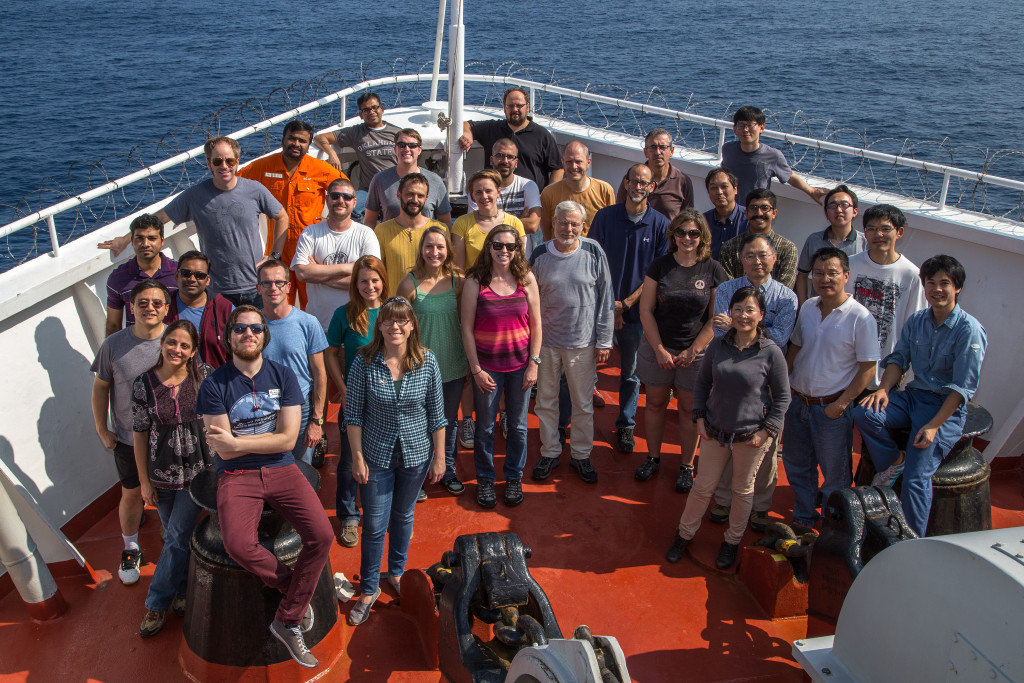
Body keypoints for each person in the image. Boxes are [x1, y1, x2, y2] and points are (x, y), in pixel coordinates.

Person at [196, 305, 333, 668]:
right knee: (239, 544)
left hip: (282, 468)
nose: (248, 334)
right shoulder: (215, 385)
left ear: (264, 335)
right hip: (237, 476)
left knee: (322, 535)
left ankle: (287, 618)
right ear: (229, 337)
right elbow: (224, 445)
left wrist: (237, 444)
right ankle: (295, 592)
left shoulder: (284, 376)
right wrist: (244, 445)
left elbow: (288, 441)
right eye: (240, 329)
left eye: (255, 329)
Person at [853, 255, 987, 537]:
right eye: (931, 283)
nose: (936, 289)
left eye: (944, 283)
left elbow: (962, 388)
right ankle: (893, 461)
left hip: (942, 406)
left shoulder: (969, 330)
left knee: (916, 477)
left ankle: (912, 540)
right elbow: (899, 359)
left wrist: (934, 426)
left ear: (957, 288)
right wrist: (883, 390)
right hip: (914, 397)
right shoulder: (917, 321)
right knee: (864, 412)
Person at [666, 287, 790, 570]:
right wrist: (699, 418)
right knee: (701, 488)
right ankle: (684, 535)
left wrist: (766, 431)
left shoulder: (771, 352)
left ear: (761, 315)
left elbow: (783, 397)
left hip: (751, 436)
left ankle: (732, 541)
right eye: (738, 309)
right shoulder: (719, 345)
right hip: (715, 430)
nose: (743, 315)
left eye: (750, 310)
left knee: (742, 490)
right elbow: (702, 383)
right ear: (729, 312)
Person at [344, 297, 446, 626]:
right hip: (376, 455)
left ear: (412, 325)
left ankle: (397, 572)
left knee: (404, 516)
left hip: (416, 455)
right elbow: (353, 415)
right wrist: (357, 457)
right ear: (380, 326)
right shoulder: (364, 361)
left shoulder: (427, 362)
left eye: (402, 321)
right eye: (388, 321)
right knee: (374, 525)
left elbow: (437, 416)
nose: (395, 326)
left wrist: (440, 457)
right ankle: (370, 588)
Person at [99, 137, 288, 308]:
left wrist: (274, 255)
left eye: (229, 161)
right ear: (209, 164)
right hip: (217, 290)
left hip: (255, 286)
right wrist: (124, 240)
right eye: (217, 161)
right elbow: (159, 218)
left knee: (257, 340)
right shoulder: (195, 196)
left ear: (237, 162)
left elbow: (282, 216)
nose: (224, 166)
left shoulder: (254, 190)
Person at [782, 248, 879, 534]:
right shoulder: (809, 307)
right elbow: (796, 347)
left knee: (834, 474)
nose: (825, 279)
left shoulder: (861, 318)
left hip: (832, 408)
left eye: (832, 273)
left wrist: (843, 403)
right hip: (798, 401)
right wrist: (783, 384)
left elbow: (868, 368)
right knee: (798, 465)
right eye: (819, 273)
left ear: (846, 276)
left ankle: (834, 525)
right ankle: (803, 517)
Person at [707, 233, 798, 529]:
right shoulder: (726, 289)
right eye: (750, 256)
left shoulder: (787, 297)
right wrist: (755, 325)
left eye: (763, 255)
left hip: (767, 377)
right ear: (741, 259)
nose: (757, 262)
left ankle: (760, 506)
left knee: (766, 445)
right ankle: (723, 499)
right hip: (729, 373)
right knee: (725, 436)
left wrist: (735, 323)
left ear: (774, 258)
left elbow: (781, 339)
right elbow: (720, 333)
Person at [634, 210, 727, 491]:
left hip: (695, 352)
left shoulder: (713, 269)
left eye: (694, 233)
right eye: (681, 232)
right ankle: (653, 457)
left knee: (689, 410)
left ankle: (687, 465)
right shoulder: (660, 266)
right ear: (673, 235)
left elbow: (715, 317)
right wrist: (660, 349)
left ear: (702, 237)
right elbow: (646, 310)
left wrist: (693, 350)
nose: (687, 238)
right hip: (658, 347)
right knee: (654, 404)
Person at [132, 320, 212, 637]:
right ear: (163, 343)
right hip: (161, 472)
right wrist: (143, 481)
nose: (176, 349)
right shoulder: (143, 384)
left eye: (183, 346)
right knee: (174, 536)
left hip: (197, 471)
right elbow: (139, 433)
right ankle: (182, 591)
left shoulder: (202, 378)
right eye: (171, 342)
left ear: (193, 353)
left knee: (178, 536)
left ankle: (155, 603)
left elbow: (216, 419)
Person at [91, 279, 169, 585]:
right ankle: (131, 546)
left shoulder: (175, 340)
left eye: (157, 303)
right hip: (126, 438)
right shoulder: (113, 345)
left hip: (169, 438)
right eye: (142, 303)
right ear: (131, 307)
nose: (150, 307)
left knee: (173, 490)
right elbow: (100, 387)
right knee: (132, 493)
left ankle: (173, 537)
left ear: (166, 308)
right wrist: (102, 428)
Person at [530, 201, 613, 484]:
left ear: (583, 226)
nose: (569, 229)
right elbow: (530, 300)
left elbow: (605, 297)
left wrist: (604, 340)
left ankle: (580, 455)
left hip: (583, 342)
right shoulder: (540, 253)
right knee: (546, 401)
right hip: (547, 342)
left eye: (575, 224)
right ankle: (550, 451)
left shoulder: (593, 251)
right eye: (563, 223)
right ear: (553, 223)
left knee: (582, 403)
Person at [589, 163, 670, 453]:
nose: (638, 187)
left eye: (644, 183)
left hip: (637, 313)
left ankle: (625, 425)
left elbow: (657, 273)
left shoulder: (660, 225)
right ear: (625, 183)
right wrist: (610, 305)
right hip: (599, 308)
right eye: (633, 181)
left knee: (631, 374)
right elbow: (592, 263)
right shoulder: (604, 217)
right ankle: (576, 422)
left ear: (652, 188)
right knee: (583, 369)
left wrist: (624, 305)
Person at [461, 226, 542, 507]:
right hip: (488, 369)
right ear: (489, 247)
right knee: (485, 427)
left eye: (510, 246)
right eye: (498, 245)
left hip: (520, 366)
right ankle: (485, 478)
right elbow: (467, 329)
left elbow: (536, 325)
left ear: (518, 249)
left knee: (518, 426)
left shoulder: (526, 278)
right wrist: (476, 369)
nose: (504, 251)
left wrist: (534, 363)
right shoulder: (476, 280)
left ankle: (513, 477)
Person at [238, 120, 344, 306]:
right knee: (278, 302)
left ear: (308, 145)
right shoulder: (263, 167)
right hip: (278, 250)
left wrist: (332, 220)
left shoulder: (320, 169)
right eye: (292, 139)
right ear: (282, 141)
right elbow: (235, 182)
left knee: (311, 302)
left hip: (311, 251)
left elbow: (345, 191)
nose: (296, 144)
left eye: (302, 141)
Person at [398, 229, 469, 497]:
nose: (435, 252)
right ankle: (417, 474)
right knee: (418, 422)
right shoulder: (409, 284)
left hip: (452, 363)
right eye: (429, 246)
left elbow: (465, 321)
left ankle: (448, 469)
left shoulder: (458, 282)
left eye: (440, 247)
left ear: (448, 250)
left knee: (448, 421)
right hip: (418, 367)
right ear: (421, 249)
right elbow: (399, 328)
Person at [324, 256, 388, 548]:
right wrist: (342, 387)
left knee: (386, 457)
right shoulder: (344, 314)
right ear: (355, 284)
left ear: (383, 280)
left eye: (375, 280)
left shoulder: (393, 312)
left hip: (388, 400)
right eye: (363, 280)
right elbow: (330, 353)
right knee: (350, 458)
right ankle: (349, 516)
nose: (370, 286)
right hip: (356, 400)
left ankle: (381, 511)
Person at [846, 204, 927, 388]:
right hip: (846, 368)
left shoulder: (912, 275)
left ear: (899, 232)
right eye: (871, 229)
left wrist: (901, 371)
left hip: (883, 376)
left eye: (885, 229)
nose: (878, 235)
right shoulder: (850, 265)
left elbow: (913, 327)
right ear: (864, 233)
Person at [257, 260, 329, 465]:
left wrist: (317, 420)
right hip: (262, 408)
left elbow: (320, 373)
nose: (273, 288)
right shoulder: (250, 326)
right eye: (267, 283)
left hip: (300, 406)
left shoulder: (308, 323)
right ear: (258, 288)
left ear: (289, 287)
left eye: (279, 282)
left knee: (300, 468)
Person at [291, 177, 381, 331]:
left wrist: (319, 276)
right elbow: (302, 274)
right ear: (327, 200)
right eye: (335, 196)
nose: (341, 200)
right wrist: (351, 268)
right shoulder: (310, 233)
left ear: (354, 202)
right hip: (318, 326)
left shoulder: (366, 234)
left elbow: (369, 281)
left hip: (356, 324)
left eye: (347, 197)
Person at [312, 91, 400, 219]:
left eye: (375, 107)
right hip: (369, 189)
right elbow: (319, 138)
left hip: (393, 187)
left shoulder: (397, 132)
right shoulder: (356, 132)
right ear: (361, 114)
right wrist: (331, 153)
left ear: (382, 109)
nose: (371, 112)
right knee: (351, 208)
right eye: (366, 110)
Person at [458, 86, 563, 190]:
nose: (515, 109)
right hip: (495, 197)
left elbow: (558, 168)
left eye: (519, 105)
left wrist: (546, 196)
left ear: (527, 107)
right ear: (504, 108)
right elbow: (467, 124)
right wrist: (468, 133)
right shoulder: (492, 128)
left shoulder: (542, 135)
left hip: (530, 199)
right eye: (510, 106)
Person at [721, 105, 826, 205]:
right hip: (729, 210)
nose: (745, 130)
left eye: (750, 125)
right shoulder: (727, 149)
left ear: (761, 128)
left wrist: (811, 191)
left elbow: (790, 176)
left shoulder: (773, 156)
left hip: (755, 213)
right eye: (741, 125)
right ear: (735, 129)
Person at [375, 173, 450, 294]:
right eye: (410, 194)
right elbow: (377, 274)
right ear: (399, 195)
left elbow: (448, 271)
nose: (415, 200)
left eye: (420, 196)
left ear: (426, 198)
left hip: (430, 305)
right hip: (396, 308)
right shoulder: (382, 231)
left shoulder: (441, 230)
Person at [104, 213, 177, 336]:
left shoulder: (179, 272)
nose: (145, 244)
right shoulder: (118, 278)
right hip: (136, 347)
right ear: (132, 241)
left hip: (174, 347)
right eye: (139, 238)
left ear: (162, 240)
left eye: (152, 238)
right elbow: (113, 325)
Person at [363, 129, 452, 227]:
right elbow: (369, 221)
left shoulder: (436, 181)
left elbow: (445, 223)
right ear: (395, 149)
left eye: (412, 145)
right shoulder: (379, 180)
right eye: (401, 145)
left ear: (419, 150)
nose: (406, 149)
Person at [795, 184, 867, 304]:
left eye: (844, 205)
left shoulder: (865, 243)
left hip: (850, 310)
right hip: (819, 308)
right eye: (833, 205)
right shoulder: (814, 240)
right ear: (826, 213)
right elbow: (802, 276)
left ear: (855, 212)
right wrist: (803, 305)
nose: (838, 210)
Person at [469, 138, 542, 252]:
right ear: (491, 160)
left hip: (519, 259)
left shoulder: (528, 186)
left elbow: (532, 225)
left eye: (510, 157)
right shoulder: (479, 188)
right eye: (500, 155)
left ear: (516, 162)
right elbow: (475, 226)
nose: (505, 161)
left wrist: (490, 224)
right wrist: (518, 222)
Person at [166, 250, 234, 368]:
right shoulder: (162, 305)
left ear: (207, 280)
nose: (192, 279)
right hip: (173, 380)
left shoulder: (226, 309)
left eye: (200, 275)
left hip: (217, 382)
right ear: (177, 275)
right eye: (186, 273)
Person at [718, 189, 798, 288]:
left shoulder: (787, 248)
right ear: (746, 213)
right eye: (753, 208)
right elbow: (727, 287)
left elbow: (784, 290)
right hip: (736, 302)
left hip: (774, 303)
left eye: (765, 208)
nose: (759, 213)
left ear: (774, 213)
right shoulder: (730, 247)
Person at [539, 141, 615, 241]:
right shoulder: (549, 193)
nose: (574, 166)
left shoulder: (604, 190)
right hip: (561, 252)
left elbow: (610, 227)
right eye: (569, 162)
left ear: (588, 162)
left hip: (592, 252)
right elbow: (546, 231)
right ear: (563, 163)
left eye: (578, 161)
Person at [453, 169, 526, 270]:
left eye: (488, 191)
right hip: (474, 283)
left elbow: (519, 264)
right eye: (478, 192)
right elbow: (458, 269)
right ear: (473, 195)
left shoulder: (515, 223)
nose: (484, 196)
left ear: (498, 192)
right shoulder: (462, 223)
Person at [615, 129, 694, 221]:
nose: (657, 152)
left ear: (671, 151)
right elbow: (619, 211)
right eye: (653, 147)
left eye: (662, 147)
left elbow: (687, 219)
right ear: (645, 152)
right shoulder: (632, 179)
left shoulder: (683, 181)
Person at [702, 167, 749, 260]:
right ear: (708, 193)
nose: (719, 192)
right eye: (713, 188)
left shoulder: (749, 219)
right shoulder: (703, 221)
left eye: (724, 187)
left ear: (735, 189)